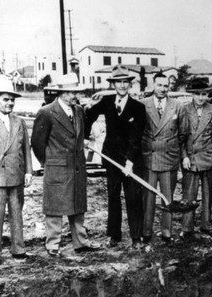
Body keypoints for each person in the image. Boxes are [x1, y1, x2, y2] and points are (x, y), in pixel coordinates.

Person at [31, 73, 101, 257]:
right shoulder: (46, 112)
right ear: (61, 93)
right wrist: (49, 162)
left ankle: (81, 241)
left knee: (77, 206)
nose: (74, 96)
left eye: (75, 92)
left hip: (77, 166)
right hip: (57, 167)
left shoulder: (78, 110)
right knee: (54, 208)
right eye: (70, 93)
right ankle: (52, 243)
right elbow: (38, 143)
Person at [85, 65, 146, 248]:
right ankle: (114, 235)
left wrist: (129, 161)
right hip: (111, 157)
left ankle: (136, 236)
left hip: (131, 159)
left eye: (125, 82)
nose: (122, 85)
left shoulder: (138, 107)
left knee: (133, 197)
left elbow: (136, 137)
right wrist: (86, 136)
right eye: (118, 82)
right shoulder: (106, 101)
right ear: (113, 84)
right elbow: (89, 115)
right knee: (113, 195)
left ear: (130, 85)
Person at [141, 73, 188, 243]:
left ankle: (166, 232)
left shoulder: (177, 106)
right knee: (148, 197)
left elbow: (183, 134)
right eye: (159, 85)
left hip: (169, 158)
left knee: (167, 197)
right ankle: (146, 232)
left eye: (166, 86)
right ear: (152, 85)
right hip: (150, 158)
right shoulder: (142, 105)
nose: (162, 89)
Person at [181, 78, 212, 237]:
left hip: (208, 158)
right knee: (189, 196)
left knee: (207, 194)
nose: (201, 97)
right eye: (197, 94)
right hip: (190, 160)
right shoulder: (184, 110)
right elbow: (181, 137)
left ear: (208, 95)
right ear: (192, 94)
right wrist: (184, 156)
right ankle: (187, 228)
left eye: (204, 94)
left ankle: (206, 225)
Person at [0, 76, 33, 263]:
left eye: (12, 99)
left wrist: (28, 171)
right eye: (5, 99)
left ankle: (18, 249)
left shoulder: (18, 121)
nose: (10, 103)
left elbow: (26, 149)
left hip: (16, 175)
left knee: (16, 213)